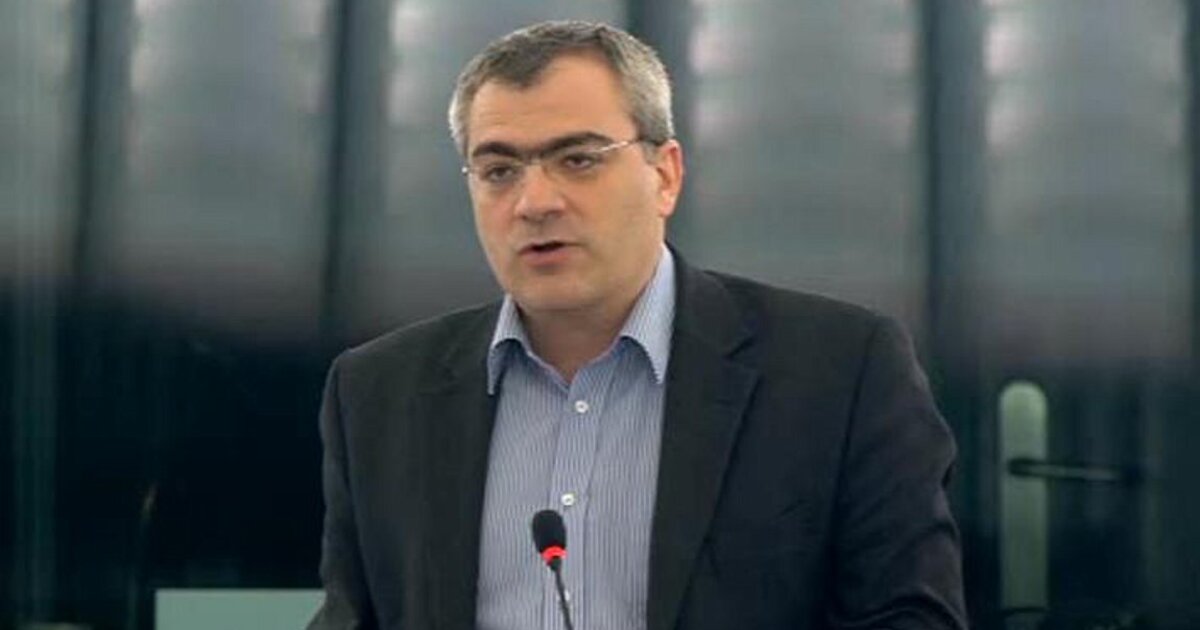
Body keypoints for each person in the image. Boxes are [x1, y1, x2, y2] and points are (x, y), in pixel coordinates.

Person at [309, 20, 966, 630]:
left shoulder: (839, 373)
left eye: (578, 159)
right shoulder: (377, 394)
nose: (534, 202)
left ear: (665, 175)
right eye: (499, 170)